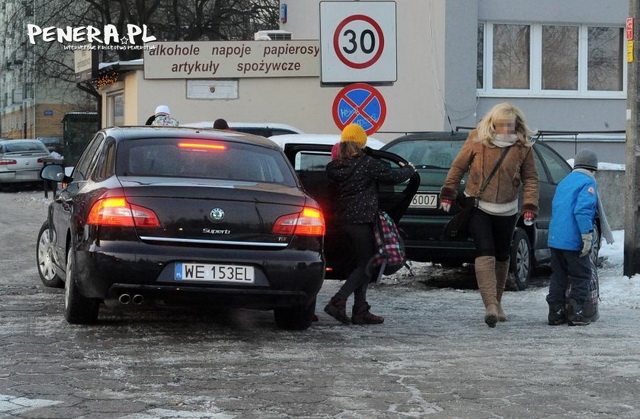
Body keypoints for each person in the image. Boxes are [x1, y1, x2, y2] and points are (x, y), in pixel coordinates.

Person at [439, 102, 539, 328]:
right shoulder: (477, 139)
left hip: (507, 209)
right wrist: (448, 193)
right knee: (485, 252)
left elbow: (531, 178)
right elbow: (458, 167)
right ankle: (490, 306)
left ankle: (498, 302)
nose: (505, 130)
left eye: (509, 126)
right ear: (492, 123)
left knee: (503, 255)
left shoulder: (523, 147)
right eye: (500, 125)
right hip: (478, 205)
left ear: (517, 125)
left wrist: (529, 206)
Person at [324, 123, 416, 325]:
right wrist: (409, 169)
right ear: (361, 143)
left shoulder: (333, 166)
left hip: (340, 223)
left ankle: (360, 310)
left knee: (361, 264)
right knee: (366, 264)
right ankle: (338, 301)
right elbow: (393, 177)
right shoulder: (366, 163)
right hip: (361, 222)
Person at [546, 149, 610, 326]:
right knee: (581, 275)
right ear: (593, 168)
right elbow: (582, 211)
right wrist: (587, 236)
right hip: (573, 239)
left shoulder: (565, 181)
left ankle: (555, 313)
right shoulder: (587, 182)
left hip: (555, 238)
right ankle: (577, 313)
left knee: (558, 275)